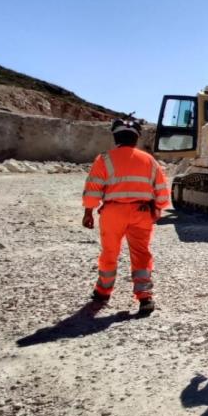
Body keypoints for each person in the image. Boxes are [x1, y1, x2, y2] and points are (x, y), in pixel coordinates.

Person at [82, 117, 170, 315]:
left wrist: (88, 211)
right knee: (141, 253)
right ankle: (145, 297)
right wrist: (157, 209)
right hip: (142, 212)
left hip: (113, 212)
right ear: (136, 138)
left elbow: (93, 188)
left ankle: (103, 292)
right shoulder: (149, 161)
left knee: (109, 252)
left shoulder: (104, 159)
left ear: (115, 137)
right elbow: (162, 192)